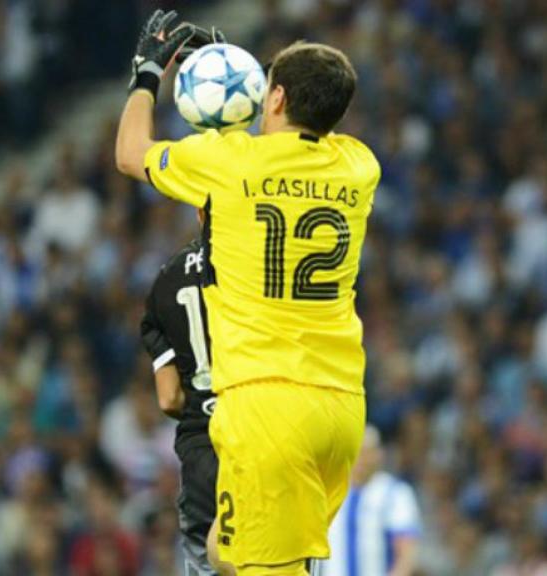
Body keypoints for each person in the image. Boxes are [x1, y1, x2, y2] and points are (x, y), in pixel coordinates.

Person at [116, 10, 379, 575]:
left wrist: (146, 74)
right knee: (221, 551)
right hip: (340, 406)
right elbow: (308, 109)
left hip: (267, 406)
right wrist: (252, 76)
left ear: (276, 96)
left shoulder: (228, 165)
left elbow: (129, 150)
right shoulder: (359, 165)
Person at [140, 233, 219, 575]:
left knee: (206, 562)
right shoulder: (252, 260)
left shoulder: (165, 279)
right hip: (258, 433)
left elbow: (168, 398)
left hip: (201, 450)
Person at [324, 426, 421, 576]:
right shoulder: (329, 491)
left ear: (379, 454)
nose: (362, 459)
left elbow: (406, 554)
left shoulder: (395, 493)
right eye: (357, 451)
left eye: (367, 452)